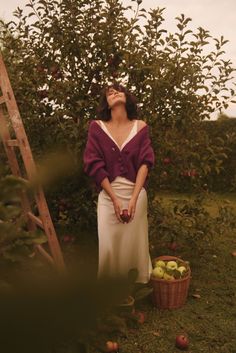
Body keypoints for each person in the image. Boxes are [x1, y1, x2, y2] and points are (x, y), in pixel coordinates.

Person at [83, 83, 155, 283]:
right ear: (106, 103)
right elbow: (93, 163)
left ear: (127, 97)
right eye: (109, 93)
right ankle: (110, 292)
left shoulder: (140, 127)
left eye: (117, 90)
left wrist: (134, 198)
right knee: (109, 246)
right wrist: (113, 198)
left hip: (136, 193)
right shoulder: (97, 127)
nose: (113, 93)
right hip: (108, 195)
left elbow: (145, 163)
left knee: (134, 245)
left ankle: (135, 290)